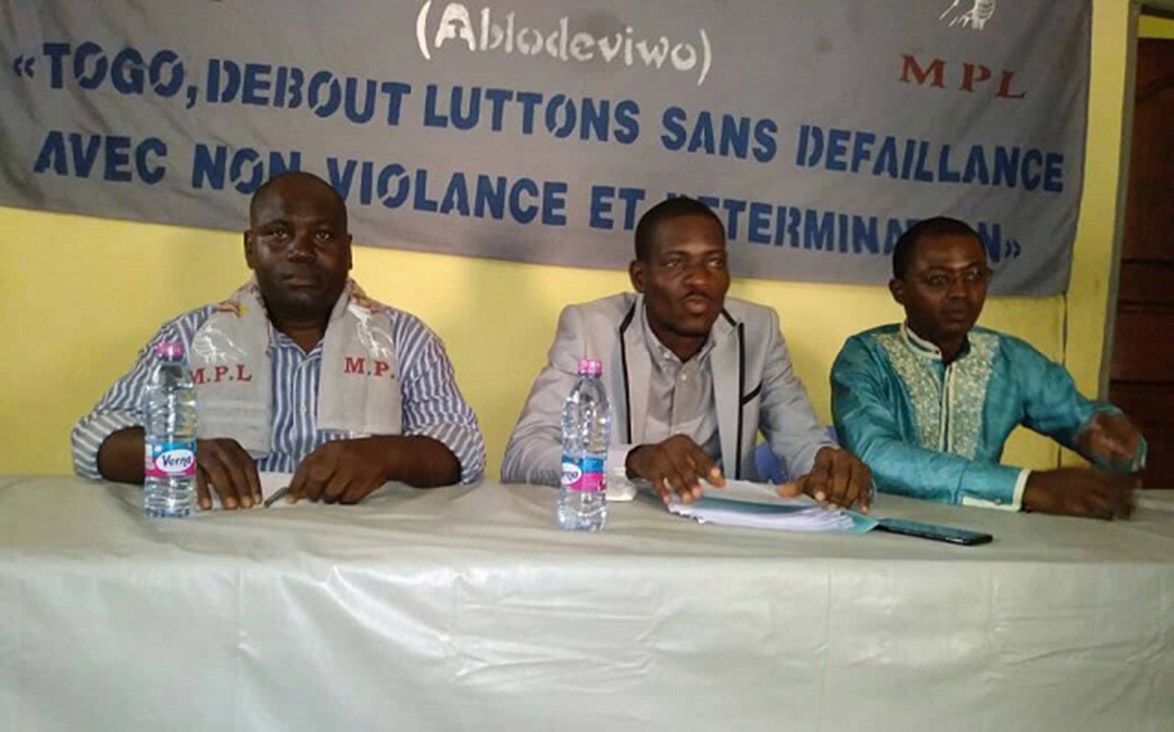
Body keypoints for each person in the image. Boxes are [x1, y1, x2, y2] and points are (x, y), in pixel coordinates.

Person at [72, 171, 485, 508]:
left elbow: (462, 446)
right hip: (222, 537)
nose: (301, 251)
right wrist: (179, 453)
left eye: (323, 236)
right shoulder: (188, 336)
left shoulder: (406, 339)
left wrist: (387, 455)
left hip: (360, 549)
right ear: (250, 248)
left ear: (348, 251)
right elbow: (95, 438)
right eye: (278, 234)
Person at [502, 196, 872, 509]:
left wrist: (826, 466)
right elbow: (523, 454)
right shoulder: (590, 329)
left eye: (714, 262)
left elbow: (801, 438)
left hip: (722, 532)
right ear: (640, 277)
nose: (699, 279)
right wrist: (633, 459)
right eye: (676, 263)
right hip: (621, 528)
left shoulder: (758, 332)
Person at [831, 216, 1145, 519]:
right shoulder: (866, 357)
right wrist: (1025, 487)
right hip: (884, 527)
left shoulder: (1009, 358)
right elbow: (877, 456)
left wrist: (1116, 441)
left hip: (987, 533)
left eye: (974, 276)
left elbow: (1079, 417)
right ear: (899, 291)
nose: (960, 292)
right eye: (938, 280)